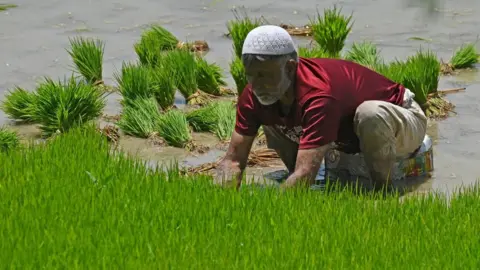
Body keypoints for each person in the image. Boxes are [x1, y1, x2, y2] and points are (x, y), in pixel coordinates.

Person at [215, 25, 427, 191]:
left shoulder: (319, 95)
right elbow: (233, 160)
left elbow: (305, 172)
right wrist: (222, 205)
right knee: (270, 114)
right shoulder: (254, 94)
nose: (257, 84)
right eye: (251, 75)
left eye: (265, 75)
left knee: (369, 114)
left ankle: (383, 192)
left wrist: (270, 212)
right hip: (347, 136)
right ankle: (299, 185)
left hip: (403, 119)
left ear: (290, 67)